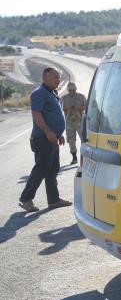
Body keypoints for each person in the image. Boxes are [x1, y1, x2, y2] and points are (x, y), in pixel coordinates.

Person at [19, 67, 72, 212]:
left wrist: (58, 134)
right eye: (55, 77)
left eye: (58, 77)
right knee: (41, 169)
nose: (58, 79)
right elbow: (37, 114)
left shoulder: (52, 94)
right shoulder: (39, 93)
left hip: (52, 138)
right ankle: (26, 199)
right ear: (45, 78)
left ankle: (53, 200)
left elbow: (52, 116)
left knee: (53, 169)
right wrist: (49, 132)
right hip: (43, 138)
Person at [61, 82, 86, 164]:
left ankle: (85, 157)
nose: (72, 91)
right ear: (68, 90)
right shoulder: (64, 98)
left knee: (84, 139)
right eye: (70, 90)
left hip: (79, 121)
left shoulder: (81, 97)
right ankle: (74, 158)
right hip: (69, 122)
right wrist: (66, 108)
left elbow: (87, 106)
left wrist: (80, 108)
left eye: (73, 90)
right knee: (71, 140)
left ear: (76, 89)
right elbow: (61, 109)